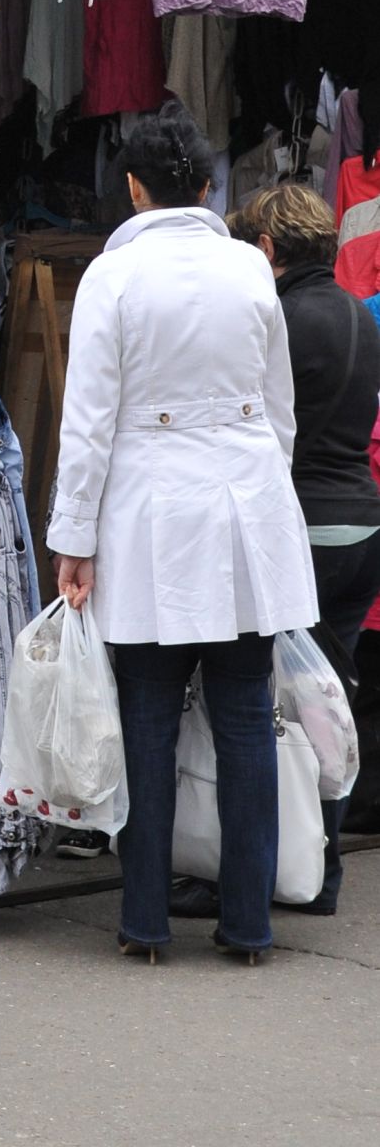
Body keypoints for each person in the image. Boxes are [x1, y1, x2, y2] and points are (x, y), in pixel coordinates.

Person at [48, 103, 319, 963]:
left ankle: (144, 923)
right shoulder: (248, 269)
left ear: (132, 189)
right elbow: (279, 414)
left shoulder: (111, 277)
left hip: (149, 518)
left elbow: (85, 425)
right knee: (244, 718)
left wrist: (72, 539)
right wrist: (256, 487)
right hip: (244, 513)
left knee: (149, 719)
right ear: (206, 186)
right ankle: (248, 926)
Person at [227, 183, 380, 914]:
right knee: (330, 703)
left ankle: (279, 872)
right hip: (361, 526)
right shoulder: (356, 311)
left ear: (266, 249)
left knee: (272, 709)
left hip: (303, 529)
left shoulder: (276, 319)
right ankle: (322, 871)